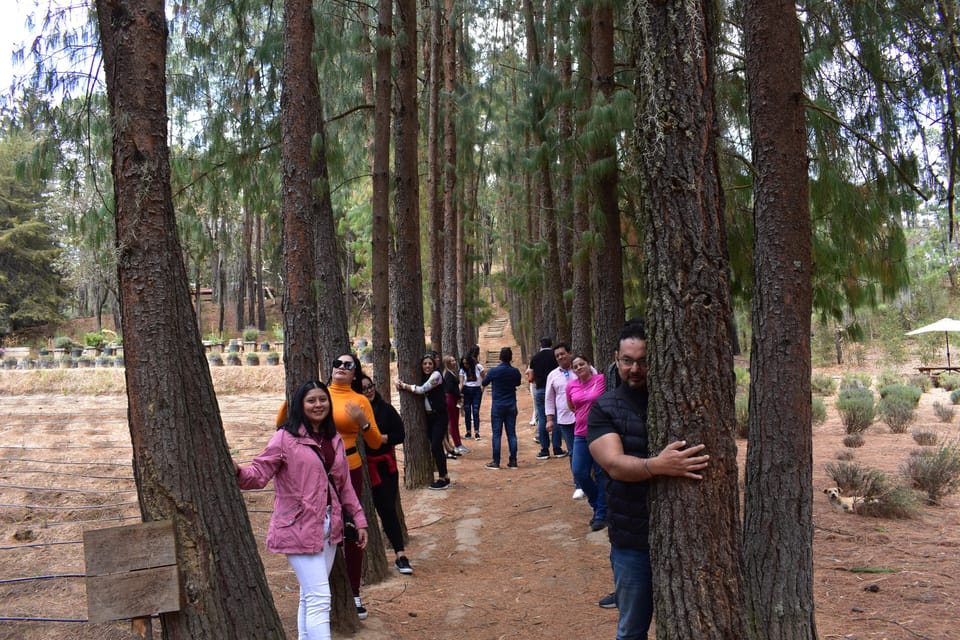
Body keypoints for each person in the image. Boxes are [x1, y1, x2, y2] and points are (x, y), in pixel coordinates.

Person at [587, 322, 710, 638]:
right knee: (631, 629)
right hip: (632, 541)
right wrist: (658, 465)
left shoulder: (674, 400)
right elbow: (613, 464)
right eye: (628, 360)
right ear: (616, 358)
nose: (635, 368)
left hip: (687, 539)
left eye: (643, 360)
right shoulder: (604, 407)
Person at [238, 380, 369, 640]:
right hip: (297, 528)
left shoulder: (334, 439)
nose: (318, 404)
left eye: (322, 399)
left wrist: (360, 519)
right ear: (300, 405)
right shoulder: (285, 438)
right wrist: (236, 471)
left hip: (330, 528)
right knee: (321, 599)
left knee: (309, 596)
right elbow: (258, 474)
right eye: (311, 400)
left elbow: (344, 487)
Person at [359, 374, 414, 575]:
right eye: (364, 388)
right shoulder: (355, 413)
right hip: (362, 469)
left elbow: (400, 434)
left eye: (370, 386)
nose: (369, 391)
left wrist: (382, 438)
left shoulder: (385, 409)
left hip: (385, 468)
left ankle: (400, 554)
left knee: (388, 511)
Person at [396, 353, 451, 490]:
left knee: (436, 446)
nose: (427, 366)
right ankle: (444, 476)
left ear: (434, 365)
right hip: (429, 417)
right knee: (435, 445)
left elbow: (421, 390)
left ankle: (443, 477)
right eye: (425, 364)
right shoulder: (424, 377)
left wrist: (403, 385)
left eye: (430, 364)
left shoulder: (436, 376)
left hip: (440, 416)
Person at [566, 354, 608, 531]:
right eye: (575, 367)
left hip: (600, 433)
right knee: (580, 472)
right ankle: (597, 505)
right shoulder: (571, 386)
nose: (578, 368)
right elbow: (571, 406)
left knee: (601, 473)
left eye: (581, 364)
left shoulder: (601, 380)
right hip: (580, 433)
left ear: (589, 364)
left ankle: (601, 514)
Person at [481, 346, 522, 469]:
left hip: (498, 405)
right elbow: (518, 383)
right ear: (511, 358)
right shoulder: (515, 371)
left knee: (497, 434)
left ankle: (496, 461)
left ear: (500, 358)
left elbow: (484, 383)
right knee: (511, 434)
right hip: (511, 404)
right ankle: (513, 460)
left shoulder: (494, 371)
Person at [544, 342, 577, 481]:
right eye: (557, 355)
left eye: (562, 354)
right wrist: (550, 419)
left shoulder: (581, 367)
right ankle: (579, 483)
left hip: (585, 417)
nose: (560, 357)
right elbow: (549, 399)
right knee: (572, 451)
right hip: (565, 420)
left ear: (570, 353)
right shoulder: (552, 375)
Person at [530, 337, 565, 459]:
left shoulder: (535, 357)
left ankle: (544, 450)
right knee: (556, 418)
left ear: (541, 344)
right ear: (551, 344)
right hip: (554, 390)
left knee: (542, 418)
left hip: (540, 390)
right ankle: (557, 448)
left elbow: (531, 375)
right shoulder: (555, 356)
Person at [443, 355, 469, 454]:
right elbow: (450, 389)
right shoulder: (448, 375)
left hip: (453, 399)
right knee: (453, 423)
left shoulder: (450, 373)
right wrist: (459, 395)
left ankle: (459, 443)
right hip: (451, 400)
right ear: (448, 363)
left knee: (455, 423)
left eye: (454, 360)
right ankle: (458, 445)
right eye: (452, 361)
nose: (454, 362)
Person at [459, 354, 485, 440]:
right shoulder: (462, 370)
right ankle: (468, 432)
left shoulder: (478, 367)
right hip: (466, 390)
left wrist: (482, 387)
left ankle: (477, 432)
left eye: (466, 363)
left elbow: (484, 378)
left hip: (476, 391)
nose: (465, 365)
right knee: (467, 411)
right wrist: (459, 392)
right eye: (464, 363)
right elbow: (461, 382)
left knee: (475, 410)